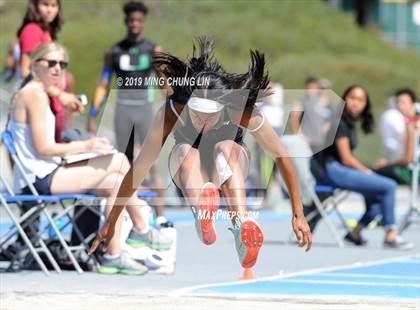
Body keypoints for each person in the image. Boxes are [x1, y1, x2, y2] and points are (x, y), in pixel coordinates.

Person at [89, 38, 312, 268]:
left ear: (223, 107)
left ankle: (241, 227)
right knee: (186, 150)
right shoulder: (173, 110)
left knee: (225, 148)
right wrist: (113, 220)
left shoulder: (239, 110)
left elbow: (281, 156)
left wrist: (298, 212)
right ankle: (202, 213)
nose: (201, 122)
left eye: (209, 116)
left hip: (227, 168)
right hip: (189, 172)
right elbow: (139, 169)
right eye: (196, 114)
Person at [8, 42, 171, 275]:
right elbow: (43, 148)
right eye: (51, 63)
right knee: (121, 162)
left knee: (116, 180)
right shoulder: (34, 95)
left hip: (46, 171)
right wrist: (86, 145)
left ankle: (113, 254)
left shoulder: (38, 91)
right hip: (37, 179)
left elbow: (47, 142)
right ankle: (142, 229)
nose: (57, 69)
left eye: (62, 64)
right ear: (35, 64)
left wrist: (82, 142)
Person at [86, 1, 170, 227]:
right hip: (123, 108)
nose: (134, 24)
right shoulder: (113, 52)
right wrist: (93, 114)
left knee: (151, 162)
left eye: (139, 20)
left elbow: (164, 82)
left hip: (145, 108)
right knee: (125, 162)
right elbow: (104, 84)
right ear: (126, 21)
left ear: (144, 22)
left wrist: (175, 107)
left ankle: (161, 216)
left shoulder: (154, 50)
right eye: (131, 20)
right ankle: (128, 214)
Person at [312, 85, 412, 249]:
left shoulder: (349, 123)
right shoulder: (339, 122)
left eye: (361, 100)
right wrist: (367, 172)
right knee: (389, 186)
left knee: (377, 196)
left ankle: (356, 232)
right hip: (333, 171)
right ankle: (391, 235)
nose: (355, 103)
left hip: (339, 169)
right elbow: (346, 159)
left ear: (365, 105)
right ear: (344, 99)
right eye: (352, 98)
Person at [17, 0, 80, 142]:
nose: (49, 10)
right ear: (35, 6)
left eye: (54, 6)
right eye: (45, 4)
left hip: (53, 102)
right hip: (43, 103)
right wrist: (60, 94)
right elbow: (26, 71)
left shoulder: (45, 31)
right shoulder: (32, 30)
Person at [375, 88, 420, 185]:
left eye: (403, 103)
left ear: (412, 104)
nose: (400, 106)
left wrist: (387, 163)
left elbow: (409, 158)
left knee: (375, 173)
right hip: (414, 167)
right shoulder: (412, 120)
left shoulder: (411, 124)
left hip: (413, 171)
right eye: (398, 102)